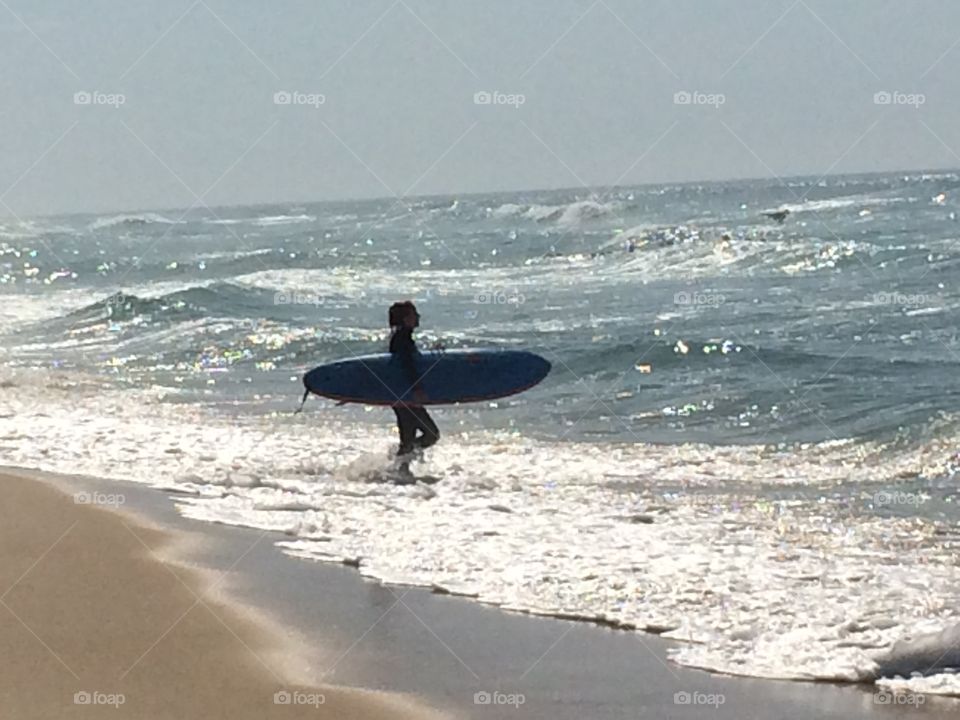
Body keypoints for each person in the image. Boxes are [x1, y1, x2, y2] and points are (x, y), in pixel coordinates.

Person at [388, 301, 439, 471]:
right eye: (414, 314)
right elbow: (406, 367)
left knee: (409, 438)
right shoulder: (402, 340)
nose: (418, 317)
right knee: (431, 434)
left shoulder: (402, 338)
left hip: (401, 395)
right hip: (406, 396)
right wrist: (417, 389)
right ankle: (400, 461)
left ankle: (400, 467)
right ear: (405, 319)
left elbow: (411, 363)